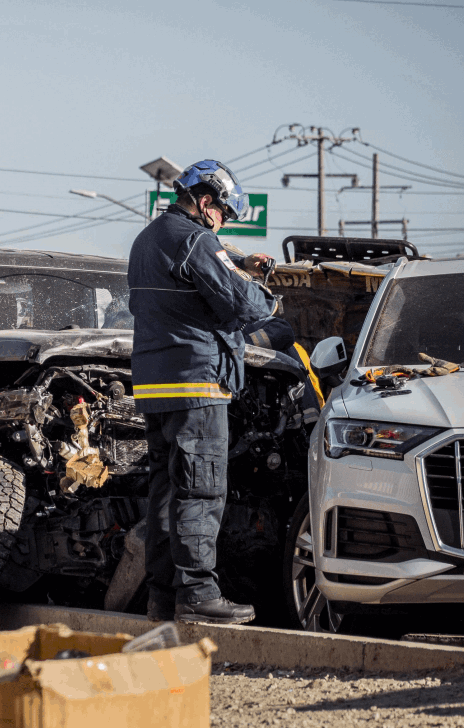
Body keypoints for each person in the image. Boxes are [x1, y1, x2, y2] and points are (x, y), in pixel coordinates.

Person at [127, 159, 276, 625]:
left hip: (155, 384)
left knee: (166, 494)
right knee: (201, 490)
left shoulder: (147, 239)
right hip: (197, 382)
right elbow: (242, 303)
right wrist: (262, 287)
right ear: (206, 202)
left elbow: (193, 284)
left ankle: (162, 598)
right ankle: (197, 594)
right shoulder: (196, 239)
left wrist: (233, 262)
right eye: (224, 213)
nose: (224, 222)